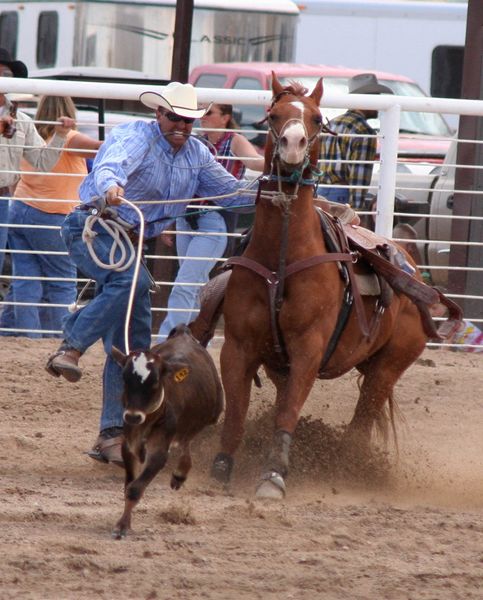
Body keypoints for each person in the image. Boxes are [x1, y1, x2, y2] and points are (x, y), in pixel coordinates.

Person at [44, 82, 255, 466]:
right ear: (158, 114)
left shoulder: (198, 155)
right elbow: (112, 162)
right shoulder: (135, 136)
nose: (181, 126)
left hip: (131, 243)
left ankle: (111, 436)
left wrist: (275, 185)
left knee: (132, 347)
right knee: (134, 282)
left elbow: (232, 193)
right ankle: (71, 345)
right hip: (93, 227)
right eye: (174, 117)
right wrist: (111, 185)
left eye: (188, 120)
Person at [157, 103, 264, 339]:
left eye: (209, 113)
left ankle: (167, 340)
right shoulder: (197, 142)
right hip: (188, 218)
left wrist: (284, 162)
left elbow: (255, 162)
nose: (202, 118)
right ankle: (192, 338)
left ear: (225, 117)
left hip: (211, 218)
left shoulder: (232, 140)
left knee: (186, 283)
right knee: (193, 284)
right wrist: (171, 219)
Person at [4, 95, 102, 337]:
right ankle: (59, 338)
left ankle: (18, 335)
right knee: (61, 281)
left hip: (20, 208)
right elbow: (99, 149)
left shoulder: (31, 135)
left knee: (25, 278)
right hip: (52, 216)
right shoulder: (68, 138)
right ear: (68, 112)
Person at [0, 48, 75, 276]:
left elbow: (42, 162)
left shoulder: (20, 120)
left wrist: (60, 135)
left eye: (6, 74)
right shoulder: (17, 119)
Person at [319, 72, 394, 208]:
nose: (379, 102)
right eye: (376, 97)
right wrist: (357, 208)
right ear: (367, 100)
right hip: (341, 194)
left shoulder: (331, 124)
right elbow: (359, 178)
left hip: (320, 190)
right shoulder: (364, 132)